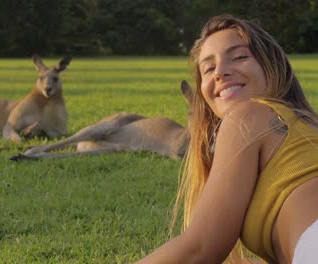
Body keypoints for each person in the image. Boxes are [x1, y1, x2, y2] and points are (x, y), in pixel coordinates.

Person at [136, 14, 318, 264]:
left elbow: (200, 248)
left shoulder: (248, 115)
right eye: (208, 68)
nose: (220, 72)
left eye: (239, 57)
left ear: (271, 65)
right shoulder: (304, 128)